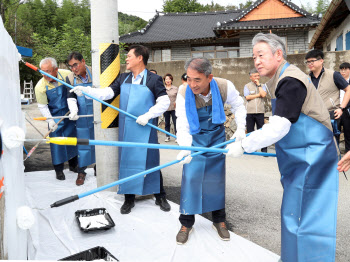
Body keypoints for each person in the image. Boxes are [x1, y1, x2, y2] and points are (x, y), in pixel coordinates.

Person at [226, 33, 339, 262]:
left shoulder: (290, 80)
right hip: (301, 157)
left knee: (309, 217)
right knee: (294, 213)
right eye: (254, 56)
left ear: (278, 54)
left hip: (314, 157)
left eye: (261, 55)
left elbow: (279, 126)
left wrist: (245, 145)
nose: (256, 61)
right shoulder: (280, 79)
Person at [70, 45, 171, 214]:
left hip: (146, 128)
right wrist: (86, 90)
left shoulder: (154, 79)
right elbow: (107, 93)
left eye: (129, 56)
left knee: (151, 161)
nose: (126, 58)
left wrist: (148, 115)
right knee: (128, 160)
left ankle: (160, 195)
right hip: (128, 129)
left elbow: (164, 102)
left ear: (140, 58)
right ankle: (129, 198)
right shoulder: (123, 78)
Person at [175, 57, 246, 245]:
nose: (191, 84)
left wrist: (240, 130)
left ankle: (219, 220)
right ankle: (186, 223)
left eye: (197, 80)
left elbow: (239, 106)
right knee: (191, 178)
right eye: (188, 79)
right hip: (194, 139)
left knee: (216, 179)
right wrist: (185, 148)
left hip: (216, 138)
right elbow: (182, 122)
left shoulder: (224, 86)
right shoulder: (183, 92)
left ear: (209, 77)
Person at [34, 57, 78, 181]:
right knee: (56, 144)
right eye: (42, 71)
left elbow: (74, 91)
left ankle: (73, 165)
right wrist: (50, 121)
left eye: (48, 71)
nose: (45, 74)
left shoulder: (66, 75)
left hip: (70, 114)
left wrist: (75, 109)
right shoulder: (40, 87)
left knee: (72, 140)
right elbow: (42, 106)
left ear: (56, 69)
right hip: (54, 117)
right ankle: (58, 170)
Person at [305, 50, 350, 144]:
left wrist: (341, 108)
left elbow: (348, 89)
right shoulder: (306, 79)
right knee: (315, 144)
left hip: (330, 115)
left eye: (312, 61)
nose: (309, 64)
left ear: (321, 61)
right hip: (312, 117)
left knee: (331, 145)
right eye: (307, 62)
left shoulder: (333, 75)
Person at [65, 52, 96, 186]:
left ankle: (99, 168)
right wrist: (74, 110)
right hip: (82, 114)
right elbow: (71, 96)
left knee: (100, 141)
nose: (74, 68)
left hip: (98, 112)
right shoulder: (70, 78)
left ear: (83, 61)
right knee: (83, 142)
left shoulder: (96, 72)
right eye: (71, 66)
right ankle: (82, 171)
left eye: (75, 64)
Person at [243, 68, 267, 152]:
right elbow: (247, 97)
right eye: (255, 76)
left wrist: (259, 85)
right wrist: (258, 95)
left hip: (260, 112)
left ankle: (264, 150)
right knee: (250, 131)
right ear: (250, 77)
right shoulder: (247, 86)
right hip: (249, 112)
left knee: (262, 131)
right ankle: (251, 149)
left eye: (258, 75)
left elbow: (263, 94)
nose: (257, 77)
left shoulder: (263, 85)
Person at [163, 73, 178, 142]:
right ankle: (167, 136)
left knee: (176, 123)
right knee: (167, 123)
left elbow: (178, 97)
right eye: (166, 79)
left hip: (174, 108)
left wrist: (176, 102)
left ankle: (177, 136)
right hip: (166, 108)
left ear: (171, 80)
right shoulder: (163, 89)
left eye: (169, 79)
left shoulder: (175, 88)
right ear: (164, 80)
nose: (168, 80)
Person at [339, 62, 350, 153]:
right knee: (335, 132)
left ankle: (348, 153)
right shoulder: (336, 81)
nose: (343, 71)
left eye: (345, 69)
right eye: (341, 69)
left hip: (347, 110)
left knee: (348, 133)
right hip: (337, 109)